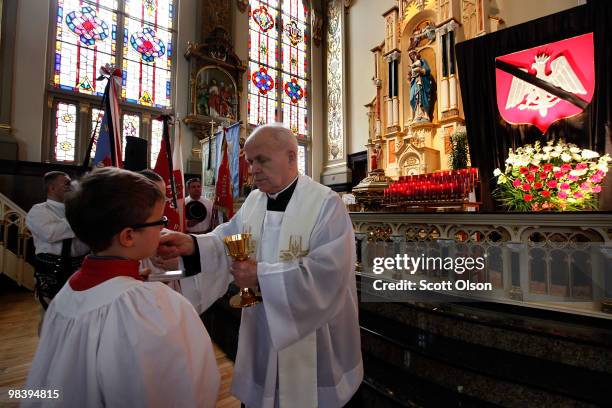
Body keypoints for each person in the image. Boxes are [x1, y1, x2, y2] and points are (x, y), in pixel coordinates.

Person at [159, 124, 363, 408]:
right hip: (262, 330)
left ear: (292, 157)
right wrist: (193, 245)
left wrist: (260, 276)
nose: (253, 169)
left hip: (313, 339)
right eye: (250, 161)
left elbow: (328, 274)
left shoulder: (326, 204)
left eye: (261, 160)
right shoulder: (254, 200)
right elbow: (229, 238)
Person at [24, 168, 220, 408]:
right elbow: (189, 387)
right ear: (128, 236)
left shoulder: (67, 293)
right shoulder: (156, 306)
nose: (164, 229)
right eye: (161, 222)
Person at [25, 171, 89, 309]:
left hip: (80, 269)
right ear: (52, 188)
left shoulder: (80, 211)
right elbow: (51, 234)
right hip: (51, 272)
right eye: (66, 183)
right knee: (49, 315)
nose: (71, 185)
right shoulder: (38, 211)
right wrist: (78, 219)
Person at [408, 49, 433, 122]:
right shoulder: (412, 65)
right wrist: (410, 77)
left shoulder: (422, 61)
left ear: (416, 54)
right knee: (413, 97)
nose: (412, 56)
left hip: (421, 82)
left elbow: (428, 70)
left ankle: (424, 114)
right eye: (411, 55)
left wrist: (420, 70)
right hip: (414, 82)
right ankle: (417, 115)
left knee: (421, 97)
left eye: (413, 54)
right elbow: (411, 76)